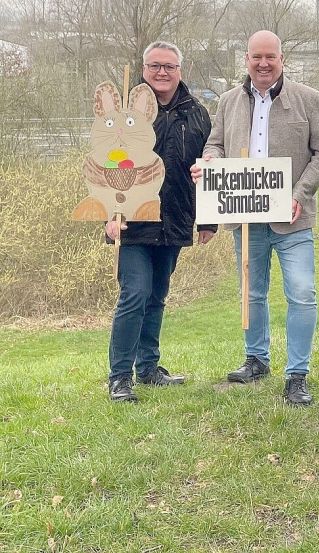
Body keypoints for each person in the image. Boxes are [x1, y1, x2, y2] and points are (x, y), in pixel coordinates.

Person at [192, 30, 319, 406]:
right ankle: (256, 359)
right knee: (252, 292)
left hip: (293, 220)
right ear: (246, 60)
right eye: (257, 56)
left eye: (270, 56)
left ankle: (297, 374)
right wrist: (211, 163)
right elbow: (215, 144)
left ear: (282, 59)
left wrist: (298, 195)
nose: (263, 63)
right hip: (246, 217)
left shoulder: (309, 99)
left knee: (302, 293)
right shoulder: (227, 101)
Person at [107, 41, 215, 402]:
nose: (162, 72)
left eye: (169, 66)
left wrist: (208, 220)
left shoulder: (198, 114)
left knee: (157, 296)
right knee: (134, 294)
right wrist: (109, 214)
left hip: (176, 218)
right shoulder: (124, 114)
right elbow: (105, 167)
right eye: (155, 66)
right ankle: (120, 376)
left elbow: (208, 169)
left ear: (180, 70)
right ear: (143, 68)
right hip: (133, 222)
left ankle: (149, 368)